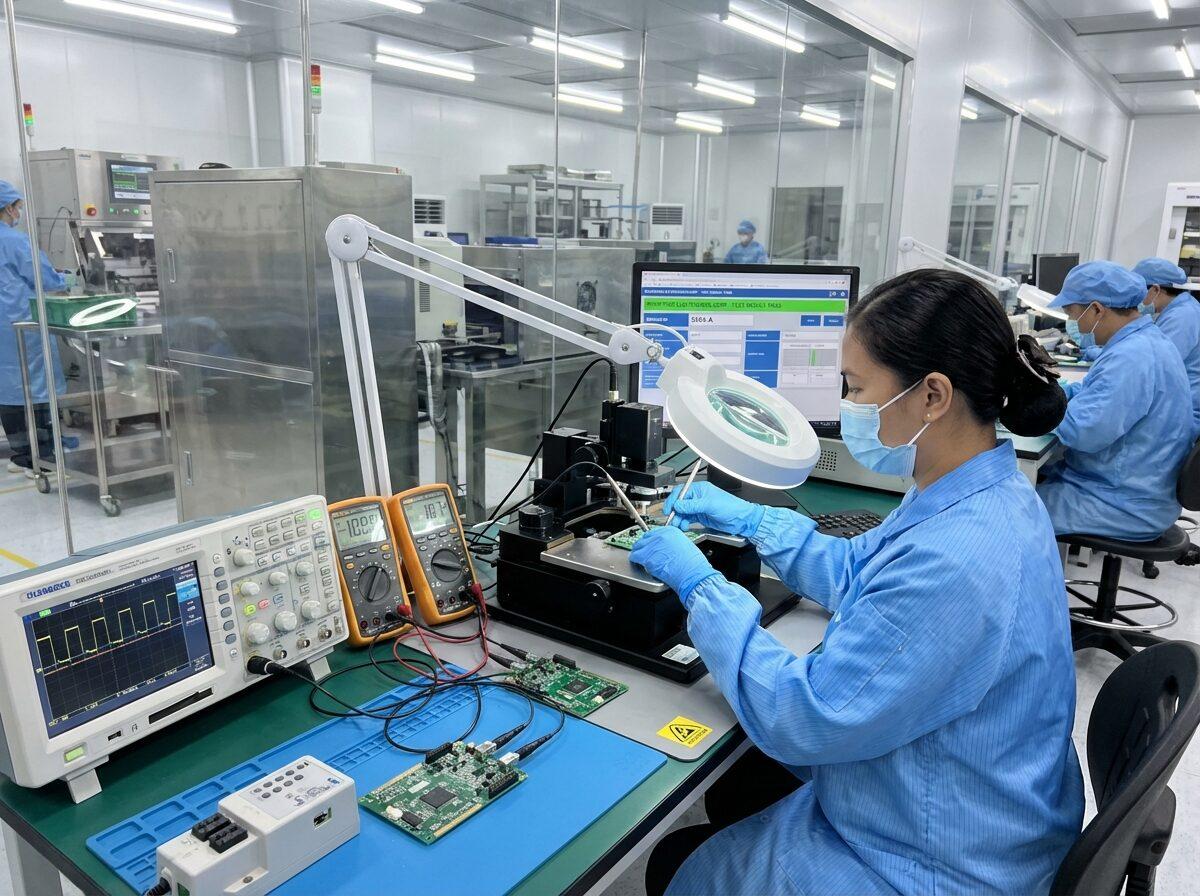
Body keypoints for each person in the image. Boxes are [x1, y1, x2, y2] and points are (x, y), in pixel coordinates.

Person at [630, 268, 1083, 896]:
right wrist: (753, 520)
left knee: (679, 864)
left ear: (932, 396)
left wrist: (701, 587)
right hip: (976, 804)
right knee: (742, 786)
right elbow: (859, 569)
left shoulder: (959, 557)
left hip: (935, 863)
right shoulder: (980, 491)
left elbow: (802, 713)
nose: (848, 407)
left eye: (856, 386)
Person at [1037, 261, 1193, 541]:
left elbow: (1082, 432)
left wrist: (1037, 407)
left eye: (1072, 313)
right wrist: (1059, 391)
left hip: (1120, 503)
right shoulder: (1142, 341)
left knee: (1005, 511)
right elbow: (1093, 392)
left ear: (1097, 309)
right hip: (1133, 490)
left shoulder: (1131, 357)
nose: (1073, 323)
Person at [0, 180, 66, 475]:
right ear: (8, 208)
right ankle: (42, 457)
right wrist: (67, 280)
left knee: (8, 389)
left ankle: (21, 454)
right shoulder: (15, 241)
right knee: (35, 386)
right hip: (22, 323)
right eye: (18, 207)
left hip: (3, 327)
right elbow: (44, 278)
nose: (19, 212)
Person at [1133, 257, 1200, 429]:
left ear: (1155, 289)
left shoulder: (1182, 317)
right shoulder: (1180, 309)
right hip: (1174, 403)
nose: (1136, 299)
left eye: (1138, 292)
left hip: (1181, 413)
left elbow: (1154, 363)